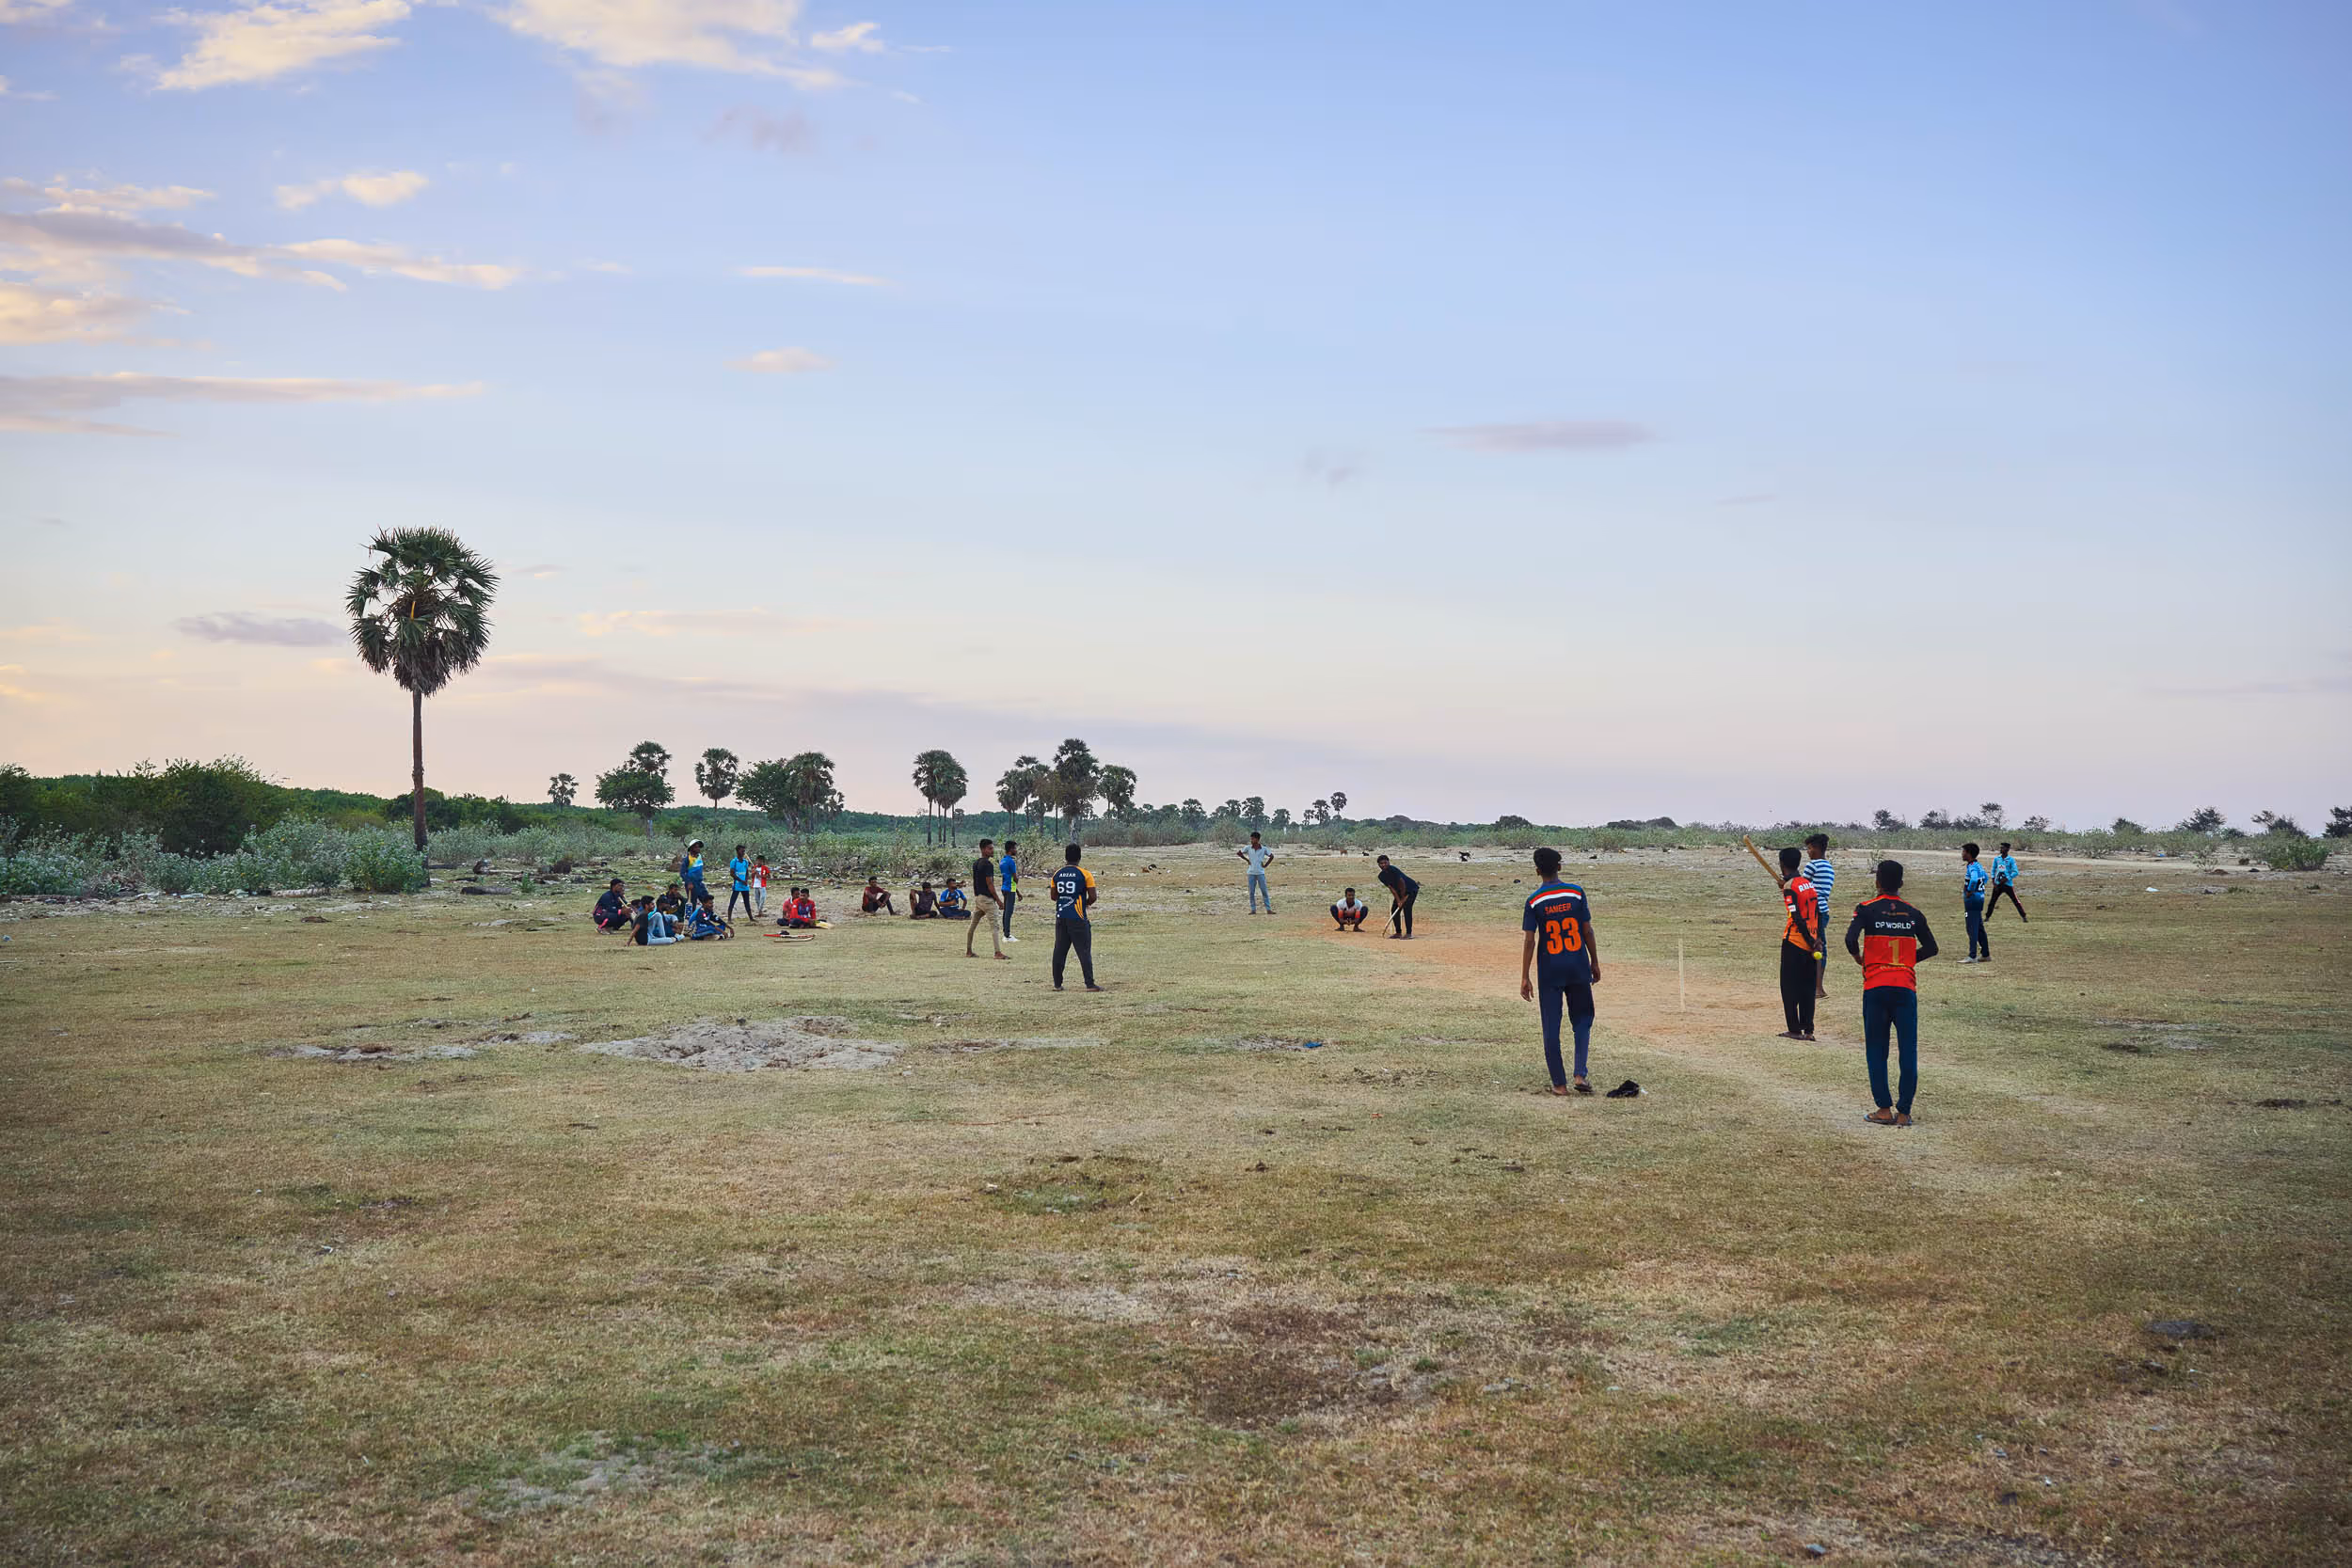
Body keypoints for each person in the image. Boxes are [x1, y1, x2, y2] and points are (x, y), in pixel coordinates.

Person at [1846, 859, 1939, 1126]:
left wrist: (1859, 958)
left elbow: (1850, 939)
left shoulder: (1866, 909)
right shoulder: (1913, 913)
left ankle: (1884, 1109)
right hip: (1905, 988)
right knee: (1908, 1050)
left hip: (1876, 986)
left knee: (1877, 1049)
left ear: (1877, 882)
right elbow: (1932, 948)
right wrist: (1907, 961)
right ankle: (1904, 1113)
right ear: (1901, 883)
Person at [1518, 847, 1601, 1094]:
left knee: (1551, 1025)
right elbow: (1587, 931)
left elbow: (1530, 941)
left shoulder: (1534, 901)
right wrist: (1594, 961)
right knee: (1583, 1019)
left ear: (1537, 871)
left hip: (1550, 970)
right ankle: (1580, 1074)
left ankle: (1559, 1084)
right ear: (1560, 867)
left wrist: (1525, 976)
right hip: (1577, 965)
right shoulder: (1576, 893)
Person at [1774, 846, 1821, 1039]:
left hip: (1795, 941)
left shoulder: (1790, 887)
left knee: (1789, 987)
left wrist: (1809, 940)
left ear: (1781, 864)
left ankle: (1794, 1029)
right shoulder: (1808, 884)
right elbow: (1817, 912)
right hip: (1812, 943)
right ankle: (1808, 1030)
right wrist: (1817, 939)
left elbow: (1796, 916)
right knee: (1808, 988)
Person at [1050, 841, 1103, 991]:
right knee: (1084, 951)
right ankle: (1090, 984)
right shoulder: (1085, 874)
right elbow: (1093, 897)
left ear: (1065, 857)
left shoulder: (1057, 874)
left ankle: (1057, 984)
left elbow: (1053, 896)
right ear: (1079, 857)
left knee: (1059, 951)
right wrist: (1085, 903)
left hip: (1061, 917)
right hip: (1078, 917)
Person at [1802, 833, 1836, 1000]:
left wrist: (1786, 885)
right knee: (1817, 946)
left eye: (1809, 848)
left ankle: (1818, 988)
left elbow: (1801, 886)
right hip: (1823, 911)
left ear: (1816, 849)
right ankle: (1815, 986)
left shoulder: (1812, 865)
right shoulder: (1829, 867)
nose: (1808, 852)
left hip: (1814, 911)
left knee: (1818, 947)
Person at [966, 837, 1008, 960]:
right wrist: (998, 900)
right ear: (983, 849)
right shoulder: (988, 864)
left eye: (992, 848)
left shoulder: (976, 863)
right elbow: (990, 884)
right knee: (994, 926)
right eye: (990, 848)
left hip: (979, 898)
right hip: (987, 899)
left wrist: (977, 896)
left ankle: (969, 951)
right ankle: (997, 952)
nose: (992, 850)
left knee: (973, 925)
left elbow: (975, 882)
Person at [1960, 842, 1991, 963]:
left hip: (1972, 900)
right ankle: (1985, 954)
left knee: (1971, 928)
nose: (1962, 854)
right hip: (1980, 898)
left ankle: (1972, 956)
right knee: (1979, 927)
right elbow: (1985, 878)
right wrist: (1979, 889)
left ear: (1969, 854)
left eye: (1963, 852)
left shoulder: (1972, 867)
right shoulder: (1978, 865)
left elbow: (1973, 880)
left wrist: (1970, 891)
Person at [1375, 855, 1419, 938]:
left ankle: (1409, 933)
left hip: (1411, 888)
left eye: (1385, 863)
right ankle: (1398, 933)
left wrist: (1402, 899)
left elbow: (1402, 883)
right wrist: (1398, 901)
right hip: (1399, 891)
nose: (1383, 865)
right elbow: (1392, 889)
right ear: (1378, 865)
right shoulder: (1381, 876)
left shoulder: (1393, 870)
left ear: (1389, 862)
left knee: (1407, 908)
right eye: (1381, 863)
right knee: (1394, 909)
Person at [1987, 842, 2027, 923]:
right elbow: (1993, 870)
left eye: (2003, 848)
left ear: (2007, 849)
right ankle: (1987, 917)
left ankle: (2024, 916)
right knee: (1992, 901)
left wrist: (2007, 878)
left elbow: (2015, 872)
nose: (2001, 849)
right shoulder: (1997, 859)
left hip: (2008, 884)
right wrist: (1993, 881)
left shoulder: (2011, 860)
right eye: (2000, 847)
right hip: (1998, 884)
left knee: (2015, 901)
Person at [1238, 832, 1277, 913]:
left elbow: (1272, 856)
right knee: (1251, 892)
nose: (1251, 840)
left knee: (1264, 891)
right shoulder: (1248, 848)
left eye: (1253, 839)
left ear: (1257, 839)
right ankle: (1253, 909)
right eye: (1251, 839)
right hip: (1251, 873)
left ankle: (1268, 909)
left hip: (1260, 872)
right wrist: (1247, 860)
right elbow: (1239, 853)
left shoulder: (1263, 849)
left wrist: (1265, 865)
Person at [997, 840, 1023, 942]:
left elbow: (1006, 878)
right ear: (1011, 849)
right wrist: (1017, 880)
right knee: (1009, 912)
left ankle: (1005, 933)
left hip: (1005, 888)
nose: (1016, 850)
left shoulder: (1003, 861)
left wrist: (1018, 892)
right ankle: (1007, 935)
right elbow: (1015, 878)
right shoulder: (1011, 861)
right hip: (1010, 889)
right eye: (1015, 848)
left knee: (1006, 911)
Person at [725, 844, 755, 923]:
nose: (743, 853)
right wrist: (741, 881)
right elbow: (732, 873)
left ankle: (751, 918)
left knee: (747, 902)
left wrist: (746, 880)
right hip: (737, 885)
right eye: (742, 851)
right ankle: (729, 919)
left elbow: (747, 872)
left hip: (744, 885)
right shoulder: (734, 861)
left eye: (744, 851)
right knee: (732, 902)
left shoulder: (745, 862)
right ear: (737, 851)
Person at [680, 840, 709, 905]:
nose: (698, 849)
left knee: (706, 900)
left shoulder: (699, 856)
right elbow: (682, 873)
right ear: (691, 849)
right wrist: (689, 882)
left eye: (698, 847)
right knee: (693, 903)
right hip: (692, 884)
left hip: (700, 883)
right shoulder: (687, 859)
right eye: (696, 847)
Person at [751, 854, 771, 919]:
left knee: (763, 898)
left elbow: (769, 876)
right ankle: (760, 911)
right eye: (758, 861)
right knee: (757, 899)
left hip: (762, 885)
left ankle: (760, 910)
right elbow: (752, 876)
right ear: (756, 861)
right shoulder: (754, 867)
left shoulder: (765, 868)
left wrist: (760, 876)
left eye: (761, 861)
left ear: (763, 862)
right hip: (755, 885)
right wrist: (754, 873)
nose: (759, 862)